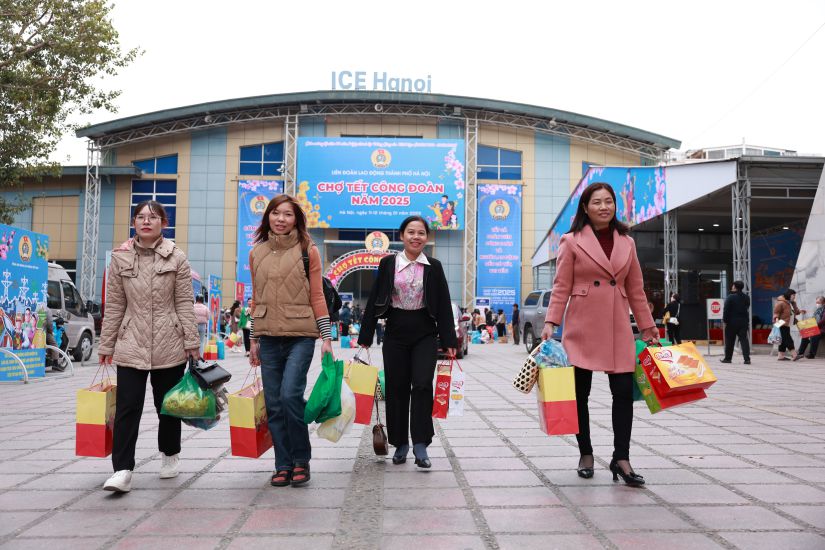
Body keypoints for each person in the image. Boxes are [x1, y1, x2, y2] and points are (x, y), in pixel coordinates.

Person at [541, 182, 657, 487]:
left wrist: (648, 328)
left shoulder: (627, 243)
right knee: (580, 395)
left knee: (623, 394)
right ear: (585, 207)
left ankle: (622, 458)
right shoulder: (570, 241)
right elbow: (561, 286)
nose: (604, 207)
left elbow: (635, 289)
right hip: (582, 323)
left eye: (609, 201)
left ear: (615, 206)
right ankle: (586, 453)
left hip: (618, 325)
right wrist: (552, 321)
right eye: (597, 202)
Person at [97, 200, 200, 493]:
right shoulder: (120, 258)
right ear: (133, 223)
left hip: (170, 343)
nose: (146, 222)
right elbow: (115, 304)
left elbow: (183, 302)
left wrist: (191, 341)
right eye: (140, 217)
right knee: (128, 407)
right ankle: (122, 470)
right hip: (131, 342)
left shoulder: (176, 258)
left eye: (152, 218)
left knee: (167, 406)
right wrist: (106, 343)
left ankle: (169, 453)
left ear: (163, 224)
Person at [358, 215, 457, 469]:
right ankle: (401, 443)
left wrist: (448, 339)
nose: (416, 237)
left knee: (423, 385)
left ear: (427, 237)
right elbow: (375, 300)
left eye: (421, 233)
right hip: (395, 333)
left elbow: (444, 304)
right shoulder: (388, 263)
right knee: (397, 388)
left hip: (425, 332)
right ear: (402, 236)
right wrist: (365, 336)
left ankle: (421, 444)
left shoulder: (433, 267)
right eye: (411, 232)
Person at [248, 194, 333, 488]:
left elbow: (317, 295)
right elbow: (255, 298)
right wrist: (253, 338)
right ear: (268, 217)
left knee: (289, 396)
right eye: (276, 213)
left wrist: (326, 337)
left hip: (300, 336)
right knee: (273, 404)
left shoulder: (308, 250)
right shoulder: (256, 252)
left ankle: (301, 460)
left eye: (287, 214)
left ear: (296, 218)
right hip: (268, 337)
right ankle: (282, 464)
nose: (281, 219)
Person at [722, 281, 751, 364]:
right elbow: (747, 307)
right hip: (743, 322)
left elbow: (726, 310)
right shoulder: (746, 297)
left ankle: (728, 358)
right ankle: (747, 359)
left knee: (730, 340)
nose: (732, 287)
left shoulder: (730, 297)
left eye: (733, 285)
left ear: (735, 287)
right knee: (744, 340)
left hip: (732, 322)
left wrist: (725, 320)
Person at [773, 288, 803, 361]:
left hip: (787, 323)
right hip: (781, 323)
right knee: (788, 339)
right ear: (789, 295)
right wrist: (776, 319)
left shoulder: (791, 302)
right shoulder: (781, 303)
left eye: (794, 295)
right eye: (793, 295)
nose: (794, 297)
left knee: (783, 340)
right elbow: (776, 312)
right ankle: (794, 355)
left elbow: (796, 312)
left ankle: (780, 356)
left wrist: (799, 310)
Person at [793, 295, 823, 360]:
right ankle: (800, 353)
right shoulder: (817, 309)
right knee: (805, 334)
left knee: (814, 335)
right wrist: (808, 324)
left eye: (818, 303)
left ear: (823, 302)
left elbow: (823, 320)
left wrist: (814, 325)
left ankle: (812, 354)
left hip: (822, 328)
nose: (817, 304)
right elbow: (813, 318)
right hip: (816, 327)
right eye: (816, 302)